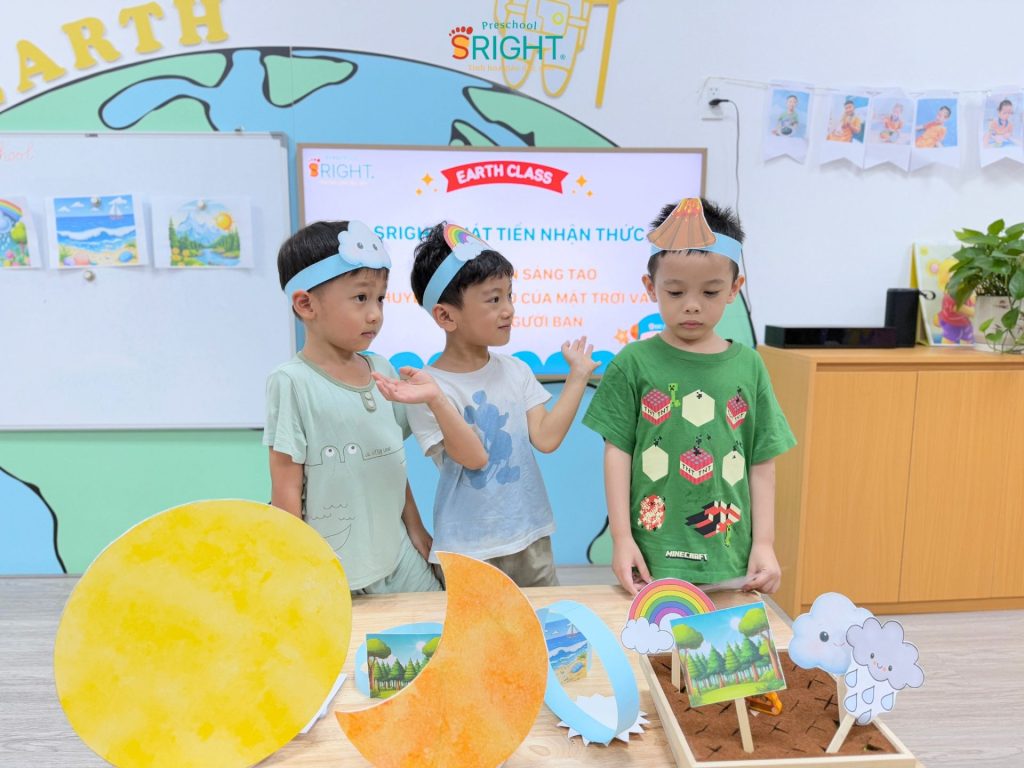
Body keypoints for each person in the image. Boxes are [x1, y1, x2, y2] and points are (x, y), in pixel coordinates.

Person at [582, 198, 796, 596]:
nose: (692, 305)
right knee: (653, 637)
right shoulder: (632, 363)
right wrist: (621, 539)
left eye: (710, 292)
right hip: (651, 559)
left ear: (734, 289)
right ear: (651, 288)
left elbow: (762, 460)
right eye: (676, 291)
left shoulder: (749, 366)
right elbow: (617, 453)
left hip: (730, 558)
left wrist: (764, 543)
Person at [264, 220, 484, 594]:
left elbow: (389, 462)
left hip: (398, 554)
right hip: (334, 567)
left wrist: (415, 527)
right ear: (306, 304)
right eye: (360, 298)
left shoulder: (381, 369)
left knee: (434, 624)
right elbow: (286, 488)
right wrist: (297, 570)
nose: (375, 314)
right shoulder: (291, 382)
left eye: (380, 299)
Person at [380, 222, 598, 587]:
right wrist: (436, 398)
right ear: (446, 316)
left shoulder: (516, 370)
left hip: (530, 536)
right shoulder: (426, 388)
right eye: (494, 299)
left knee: (542, 620)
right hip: (468, 551)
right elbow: (474, 458)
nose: (508, 309)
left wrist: (577, 376)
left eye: (509, 295)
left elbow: (546, 438)